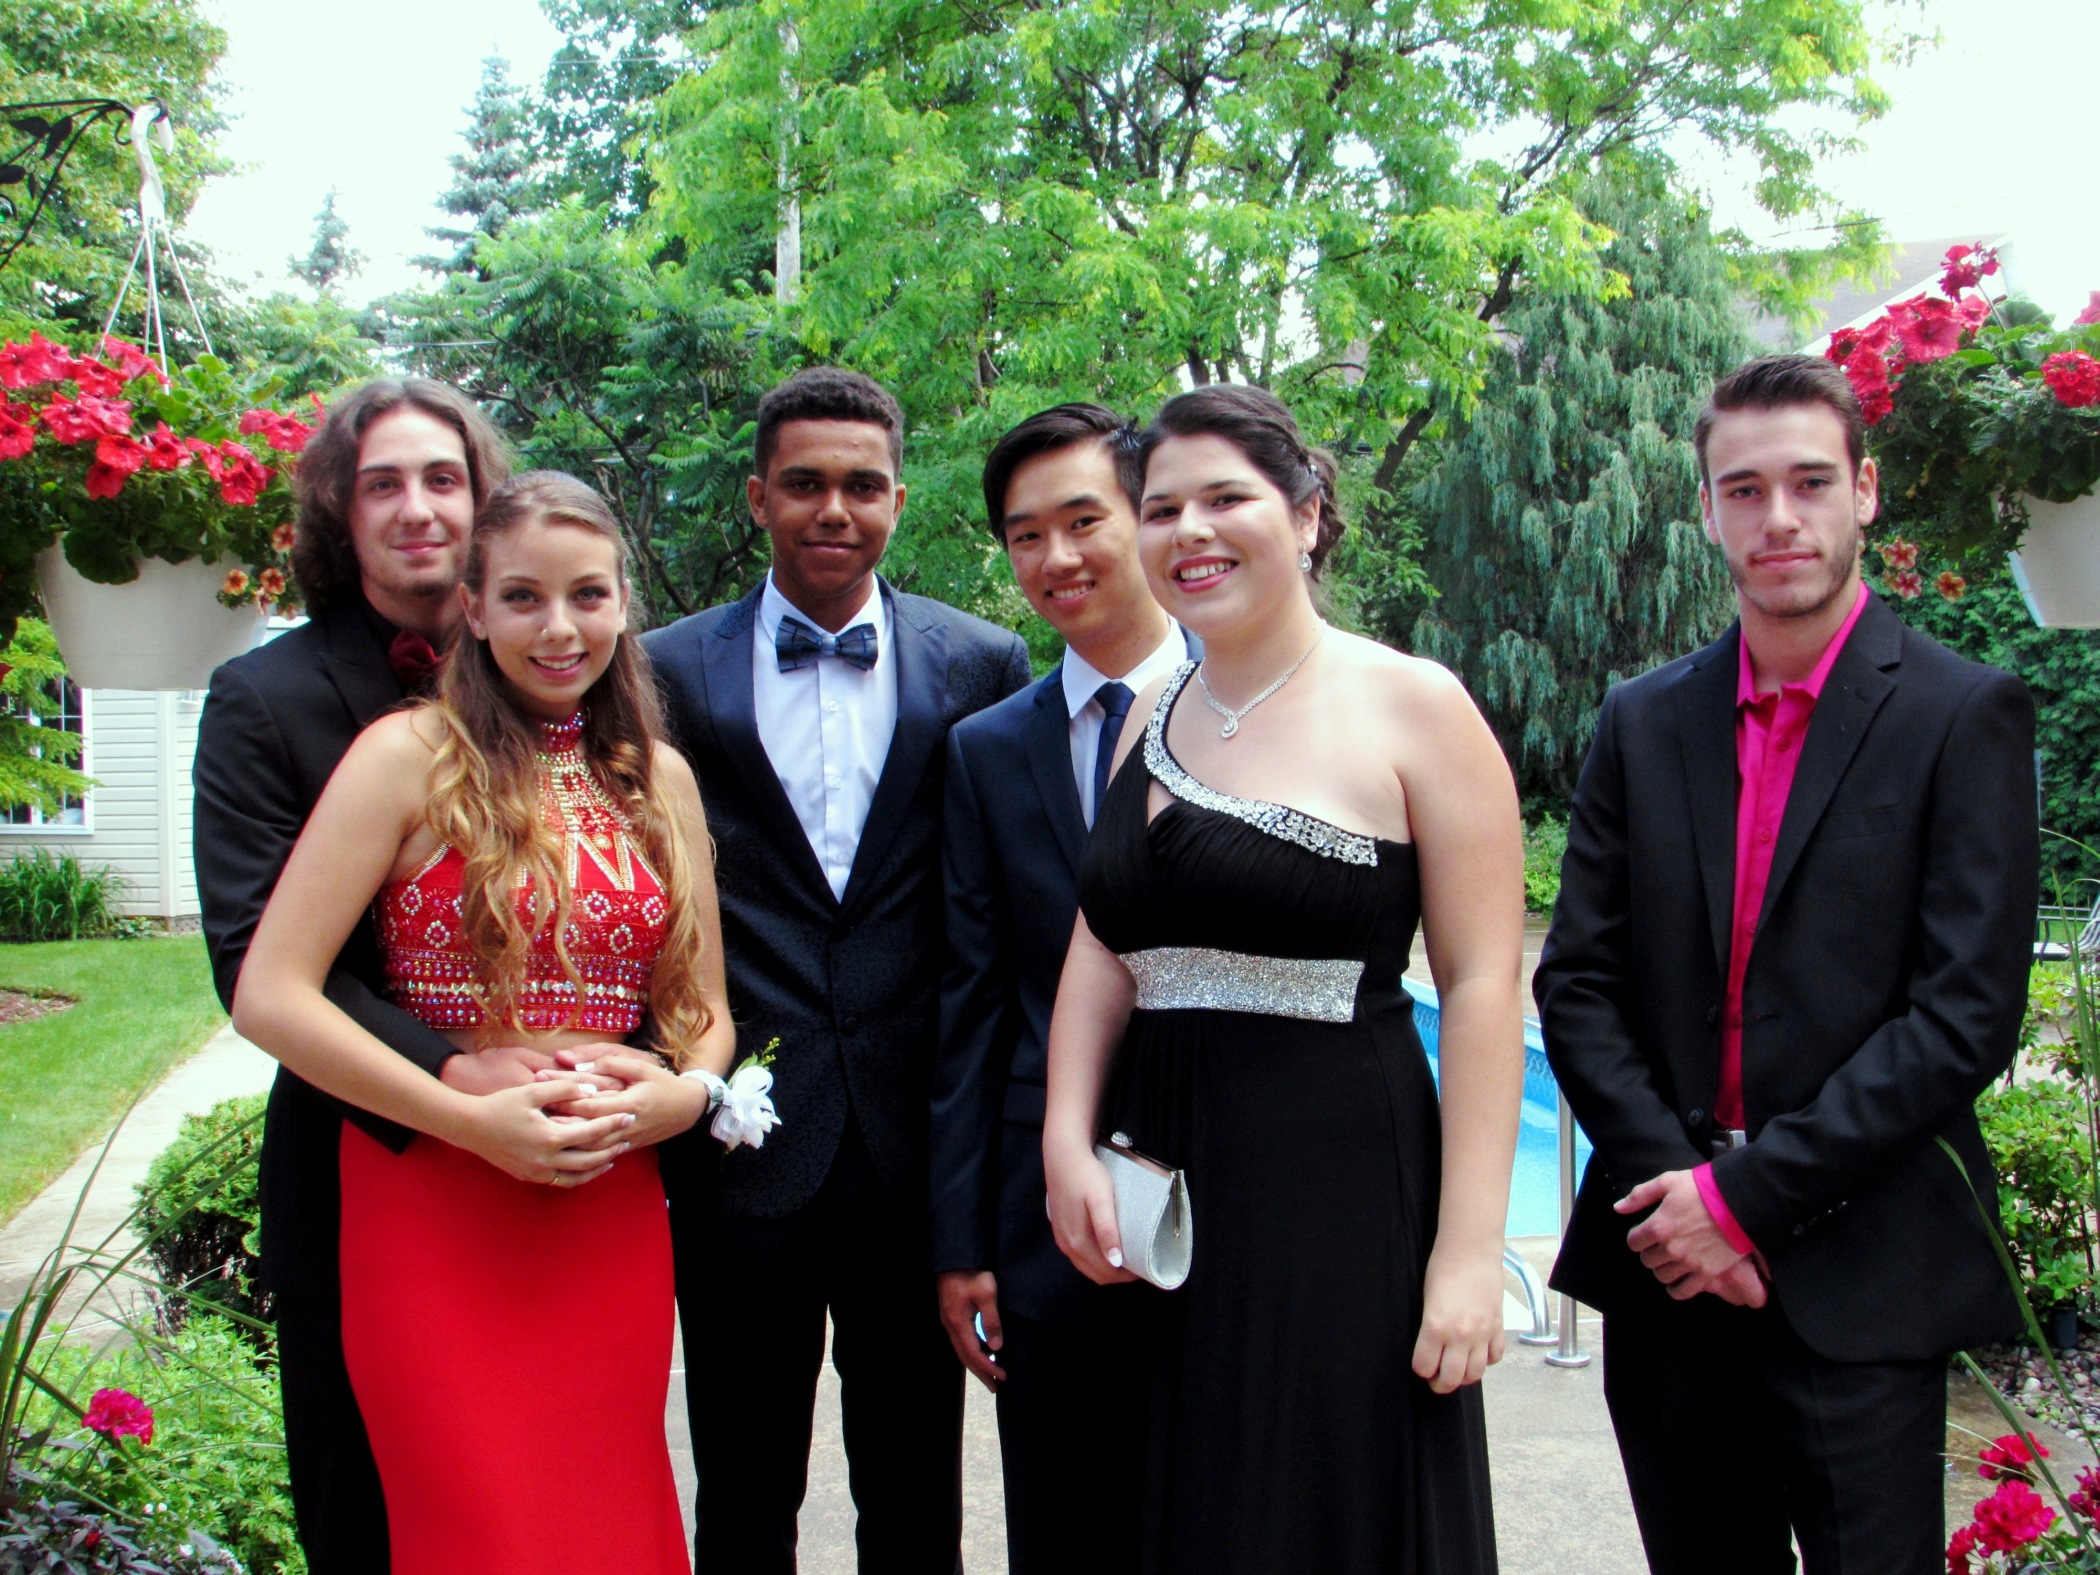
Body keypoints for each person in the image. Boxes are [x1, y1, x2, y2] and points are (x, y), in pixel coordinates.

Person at [1536, 353, 2039, 1574]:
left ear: (1864, 490)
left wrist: (1744, 1203)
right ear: (1707, 509)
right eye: (1744, 489)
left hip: (1863, 1276)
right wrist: (1682, 1199)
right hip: (1667, 1269)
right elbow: (1579, 983)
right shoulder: (1642, 720)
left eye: (1810, 482)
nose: (1779, 518)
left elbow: (1962, 1018)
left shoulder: (1963, 715)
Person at [1042, 383, 1523, 1574]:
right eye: (1162, 509)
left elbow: (1480, 984)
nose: (1189, 532)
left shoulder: (1416, 703)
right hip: (1159, 1187)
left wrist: (1469, 1252)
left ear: (1306, 514)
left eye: (1226, 499)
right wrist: (1063, 1141)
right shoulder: (1149, 712)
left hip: (1337, 1192)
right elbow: (1103, 941)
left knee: (1318, 1504)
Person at [229, 470, 736, 1574]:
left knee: (606, 1523)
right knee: (478, 1530)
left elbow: (703, 1014)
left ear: (624, 604)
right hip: (433, 1199)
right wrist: (467, 1121)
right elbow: (271, 992)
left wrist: (685, 1095)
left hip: (607, 1202)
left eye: (588, 595)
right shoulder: (405, 755)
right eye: (522, 597)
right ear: (472, 607)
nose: (559, 628)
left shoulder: (660, 779)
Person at [191, 378, 602, 1572]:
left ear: (483, 502)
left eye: (443, 479)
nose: (418, 508)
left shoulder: (563, 684)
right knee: (371, 1505)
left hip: (557, 1166)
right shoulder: (264, 702)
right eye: (382, 484)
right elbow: (257, 964)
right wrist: (456, 1075)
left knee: (541, 1499)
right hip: (360, 1153)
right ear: (339, 508)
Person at [640, 366, 1033, 1573]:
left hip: (912, 1147)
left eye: (863, 485)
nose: (834, 509)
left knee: (915, 1495)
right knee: (743, 1486)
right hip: (739, 1143)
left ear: (899, 501)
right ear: (759, 496)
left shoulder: (982, 661)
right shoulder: (662, 669)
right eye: (804, 483)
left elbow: (998, 907)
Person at [931, 403, 1192, 1573]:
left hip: (1242, 1180)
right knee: (1064, 1525)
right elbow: (974, 1002)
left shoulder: (1266, 709)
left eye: (1084, 520)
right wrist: (964, 1241)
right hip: (1047, 1212)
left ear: (1146, 516)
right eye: (1025, 535)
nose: (1058, 558)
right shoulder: (987, 748)